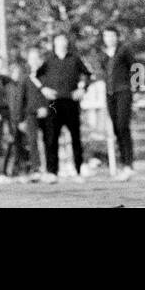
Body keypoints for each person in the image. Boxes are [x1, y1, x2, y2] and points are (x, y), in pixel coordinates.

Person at [37, 31, 92, 182]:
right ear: (54, 44)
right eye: (58, 41)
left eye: (63, 41)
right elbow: (36, 76)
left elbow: (88, 74)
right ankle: (52, 172)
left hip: (71, 102)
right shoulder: (48, 60)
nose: (61, 43)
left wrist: (82, 89)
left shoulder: (75, 59)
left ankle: (78, 171)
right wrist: (44, 89)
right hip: (54, 103)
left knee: (75, 137)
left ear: (66, 43)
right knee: (51, 137)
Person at [102, 26, 135, 179]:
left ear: (116, 37)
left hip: (124, 91)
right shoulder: (104, 55)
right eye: (106, 36)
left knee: (123, 125)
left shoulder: (124, 51)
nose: (109, 39)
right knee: (116, 128)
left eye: (111, 36)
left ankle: (129, 164)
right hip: (110, 94)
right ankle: (124, 164)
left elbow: (136, 67)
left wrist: (136, 88)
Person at [2, 60, 30, 178]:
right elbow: (5, 105)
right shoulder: (7, 87)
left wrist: (24, 120)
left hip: (21, 120)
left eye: (19, 72)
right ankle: (6, 171)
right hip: (10, 121)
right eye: (14, 72)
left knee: (22, 146)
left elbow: (25, 104)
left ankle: (22, 169)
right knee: (10, 145)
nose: (16, 74)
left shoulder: (23, 86)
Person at [24, 46, 48, 178]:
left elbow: (53, 97)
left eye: (36, 58)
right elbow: (22, 100)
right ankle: (36, 168)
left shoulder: (47, 76)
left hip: (46, 113)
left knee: (48, 140)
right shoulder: (26, 78)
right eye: (31, 58)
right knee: (32, 141)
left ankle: (50, 168)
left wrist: (46, 108)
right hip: (31, 114)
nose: (33, 61)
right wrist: (20, 119)